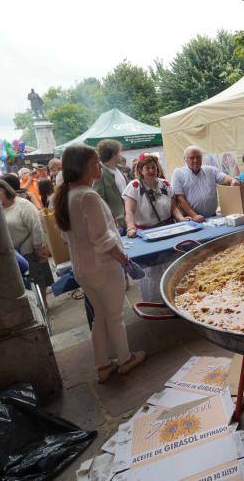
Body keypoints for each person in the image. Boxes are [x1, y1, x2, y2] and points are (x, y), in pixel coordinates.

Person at [53, 144, 146, 383]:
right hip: (103, 267)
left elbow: (69, 237)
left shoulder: (67, 195)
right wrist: (124, 260)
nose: (98, 167)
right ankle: (125, 359)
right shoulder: (87, 195)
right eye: (94, 164)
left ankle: (103, 365)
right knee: (114, 316)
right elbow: (102, 239)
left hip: (83, 269)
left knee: (101, 317)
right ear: (82, 167)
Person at [123, 154, 187, 303]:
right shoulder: (134, 186)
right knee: (152, 270)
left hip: (168, 230)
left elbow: (173, 208)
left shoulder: (164, 184)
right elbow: (129, 211)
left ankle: (174, 295)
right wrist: (131, 227)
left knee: (171, 263)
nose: (151, 170)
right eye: (148, 168)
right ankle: (155, 300)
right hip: (146, 234)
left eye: (154, 167)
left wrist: (182, 219)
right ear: (140, 169)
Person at [0, 178, 53, 303]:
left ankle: (43, 306)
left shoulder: (23, 204)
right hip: (14, 253)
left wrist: (39, 246)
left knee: (37, 281)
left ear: (6, 190)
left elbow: (36, 226)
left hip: (30, 250)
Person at [171, 145, 241, 222]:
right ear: (185, 159)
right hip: (191, 219)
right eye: (192, 158)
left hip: (212, 217)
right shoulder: (178, 173)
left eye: (198, 157)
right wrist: (194, 215)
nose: (195, 160)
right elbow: (180, 199)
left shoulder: (211, 170)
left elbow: (223, 177)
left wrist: (232, 180)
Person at [93, 139, 127, 229]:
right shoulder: (100, 173)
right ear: (113, 154)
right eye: (119, 152)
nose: (121, 154)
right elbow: (99, 200)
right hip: (118, 222)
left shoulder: (120, 169)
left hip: (128, 217)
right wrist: (112, 218)